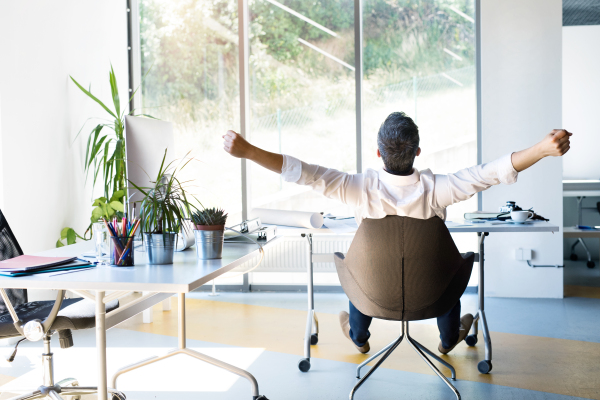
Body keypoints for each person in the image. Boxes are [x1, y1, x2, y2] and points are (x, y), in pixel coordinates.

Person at [222, 111, 571, 355]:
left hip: (375, 296)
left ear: (378, 152)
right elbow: (491, 173)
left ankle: (359, 335)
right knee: (449, 265)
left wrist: (248, 151)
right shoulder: (439, 189)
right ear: (418, 151)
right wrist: (541, 149)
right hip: (431, 296)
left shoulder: (357, 189)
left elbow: (304, 173)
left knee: (358, 265)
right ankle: (448, 337)